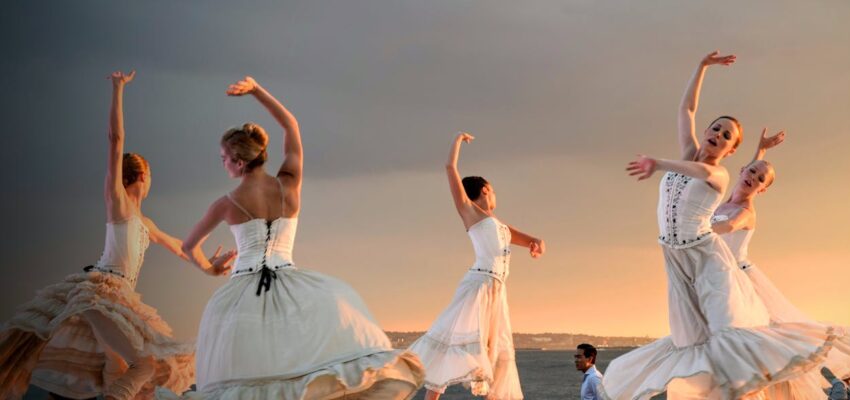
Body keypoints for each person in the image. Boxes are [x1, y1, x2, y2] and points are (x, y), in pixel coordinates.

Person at [160, 76, 424, 399]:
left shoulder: (225, 205)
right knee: (298, 372)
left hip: (242, 299)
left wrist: (210, 268)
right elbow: (291, 126)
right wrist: (256, 90)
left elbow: (188, 247)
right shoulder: (289, 183)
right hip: (293, 286)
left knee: (250, 379)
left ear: (239, 162)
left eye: (223, 158)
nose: (223, 163)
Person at [603, 51, 842, 399]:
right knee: (690, 345)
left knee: (727, 344)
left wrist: (657, 163)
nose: (718, 134)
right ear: (706, 131)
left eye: (727, 136)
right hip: (674, 262)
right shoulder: (689, 153)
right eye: (716, 128)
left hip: (707, 259)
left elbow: (701, 173)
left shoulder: (717, 172)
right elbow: (685, 110)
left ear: (731, 151)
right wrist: (701, 67)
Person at [0, 71, 199, 400]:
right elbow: (114, 140)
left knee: (116, 370)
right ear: (143, 176)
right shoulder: (118, 203)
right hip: (101, 293)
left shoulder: (144, 222)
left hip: (119, 298)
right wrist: (118, 89)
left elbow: (180, 247)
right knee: (142, 366)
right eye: (151, 175)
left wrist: (213, 264)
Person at [713, 129, 850, 398]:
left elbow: (726, 227)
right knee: (769, 348)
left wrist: (689, 228)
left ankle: (834, 383)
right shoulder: (729, 198)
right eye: (751, 172)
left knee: (783, 339)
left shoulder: (744, 213)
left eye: (760, 179)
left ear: (763, 190)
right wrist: (760, 152)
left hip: (742, 283)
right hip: (723, 281)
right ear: (742, 170)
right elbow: (748, 174)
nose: (753, 178)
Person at [408, 132, 545, 400]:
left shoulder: (497, 224)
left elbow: (515, 235)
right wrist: (458, 141)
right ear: (485, 190)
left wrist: (535, 241)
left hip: (497, 292)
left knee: (497, 354)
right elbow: (450, 169)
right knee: (451, 346)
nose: (495, 193)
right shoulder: (470, 212)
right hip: (478, 287)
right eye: (493, 189)